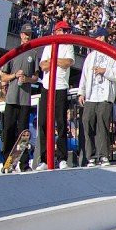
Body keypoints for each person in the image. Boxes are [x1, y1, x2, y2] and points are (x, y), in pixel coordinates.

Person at [77, 28, 116, 166]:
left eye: (96, 37)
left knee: (102, 126)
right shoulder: (90, 56)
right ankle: (90, 156)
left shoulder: (113, 54)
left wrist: (104, 71)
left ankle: (103, 155)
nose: (94, 40)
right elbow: (84, 75)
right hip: (90, 96)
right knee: (87, 123)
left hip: (105, 96)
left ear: (102, 38)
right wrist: (81, 92)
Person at [35, 20, 75, 169]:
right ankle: (45, 159)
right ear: (56, 31)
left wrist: (53, 61)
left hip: (61, 87)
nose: (65, 33)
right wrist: (57, 61)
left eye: (66, 31)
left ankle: (62, 158)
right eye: (62, 31)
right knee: (44, 123)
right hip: (47, 87)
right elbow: (43, 65)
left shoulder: (68, 45)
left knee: (61, 123)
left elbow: (68, 62)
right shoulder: (49, 45)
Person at [0, 28, 36, 169]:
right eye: (26, 34)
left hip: (25, 100)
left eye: (30, 35)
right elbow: (3, 76)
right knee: (8, 130)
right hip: (11, 99)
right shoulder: (12, 52)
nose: (27, 36)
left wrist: (26, 78)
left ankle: (24, 163)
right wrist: (15, 75)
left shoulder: (33, 53)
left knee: (24, 133)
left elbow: (36, 77)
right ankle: (7, 163)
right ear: (21, 35)